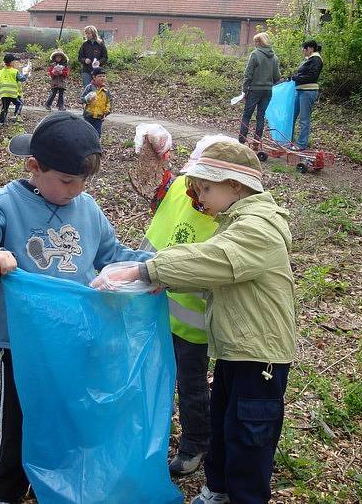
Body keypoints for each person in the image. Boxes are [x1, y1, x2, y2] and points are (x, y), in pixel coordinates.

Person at [0, 112, 152, 504]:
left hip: (78, 336)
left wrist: (152, 267)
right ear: (34, 168)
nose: (77, 190)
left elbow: (113, 255)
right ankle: (5, 490)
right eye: (68, 181)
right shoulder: (6, 205)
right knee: (20, 419)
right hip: (26, 344)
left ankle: (59, 482)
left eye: (83, 181)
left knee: (70, 413)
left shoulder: (88, 208)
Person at [93, 139, 296, 504]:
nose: (199, 196)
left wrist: (147, 270)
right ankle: (217, 489)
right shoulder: (236, 220)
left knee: (249, 433)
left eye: (205, 187)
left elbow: (214, 260)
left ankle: (244, 496)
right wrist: (165, 280)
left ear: (234, 185)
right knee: (223, 424)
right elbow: (218, 272)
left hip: (260, 356)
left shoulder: (259, 226)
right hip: (238, 349)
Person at [140, 136, 225, 478]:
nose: (197, 194)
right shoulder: (178, 189)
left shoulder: (231, 215)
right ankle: (151, 438)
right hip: (154, 307)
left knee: (190, 383)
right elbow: (157, 235)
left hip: (193, 322)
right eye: (195, 185)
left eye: (206, 187)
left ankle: (195, 443)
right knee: (155, 378)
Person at [239, 32, 280, 146]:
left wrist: (244, 90)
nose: (255, 43)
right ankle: (257, 142)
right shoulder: (274, 57)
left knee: (247, 114)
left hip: (254, 90)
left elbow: (248, 74)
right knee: (260, 116)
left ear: (262, 42)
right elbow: (277, 77)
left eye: (257, 41)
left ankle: (242, 140)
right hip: (267, 91)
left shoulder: (255, 54)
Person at [291, 39, 323, 150]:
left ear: (310, 49)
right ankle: (288, 140)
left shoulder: (316, 60)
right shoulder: (308, 59)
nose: (302, 50)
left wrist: (296, 78)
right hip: (300, 90)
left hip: (308, 91)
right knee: (292, 116)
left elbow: (313, 77)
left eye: (304, 48)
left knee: (304, 119)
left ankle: (301, 144)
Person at [0, 53, 28, 125]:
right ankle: (16, 117)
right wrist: (26, 74)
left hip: (3, 93)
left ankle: (1, 122)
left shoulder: (0, 72)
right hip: (12, 93)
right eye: (14, 61)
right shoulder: (14, 71)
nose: (15, 62)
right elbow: (22, 79)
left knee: (4, 108)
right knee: (19, 104)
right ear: (11, 62)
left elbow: (0, 80)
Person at [81, 67, 111, 137]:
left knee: (97, 134)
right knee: (87, 132)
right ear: (94, 77)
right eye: (99, 76)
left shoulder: (106, 90)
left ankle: (96, 146)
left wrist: (106, 113)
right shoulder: (89, 87)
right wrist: (87, 99)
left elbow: (109, 103)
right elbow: (81, 99)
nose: (102, 78)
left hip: (99, 116)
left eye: (104, 76)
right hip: (88, 115)